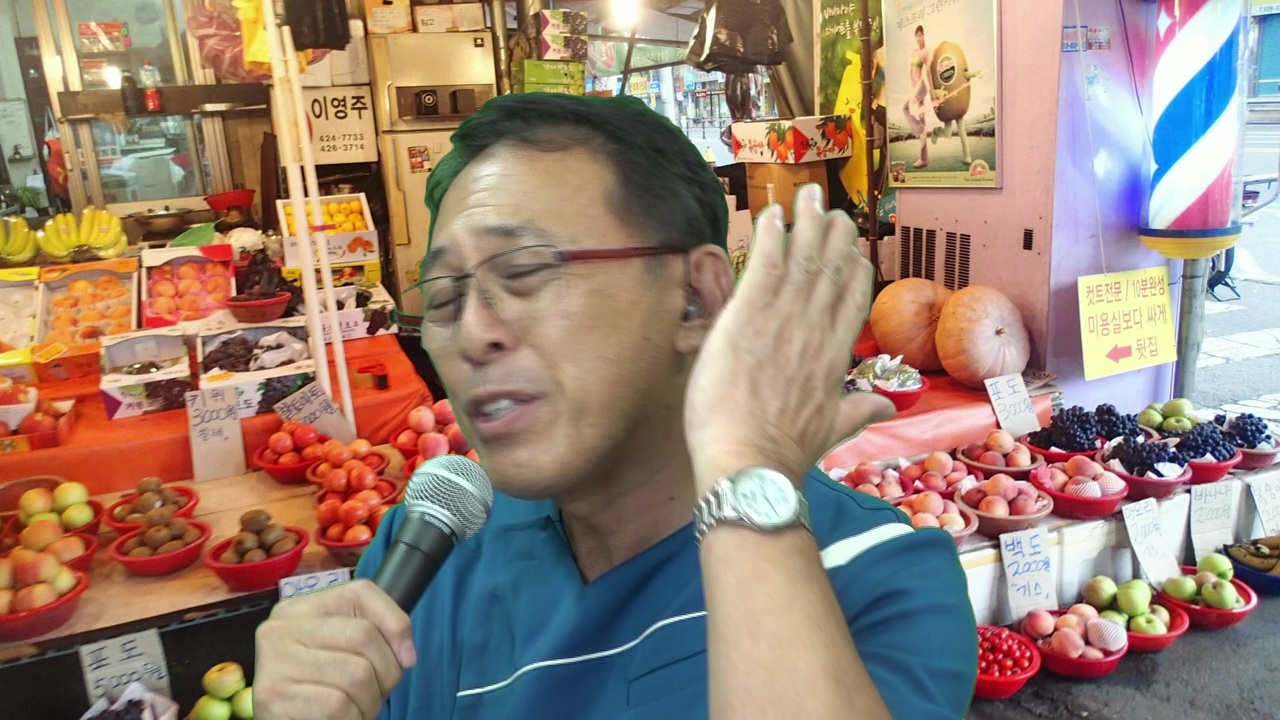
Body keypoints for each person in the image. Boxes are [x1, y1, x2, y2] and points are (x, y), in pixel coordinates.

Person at [253, 93, 978, 720]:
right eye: (444, 298)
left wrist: (746, 476)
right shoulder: (427, 563)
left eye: (524, 270)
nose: (471, 333)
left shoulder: (873, 576)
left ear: (695, 297)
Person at [903, 25, 936, 169]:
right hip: (915, 89)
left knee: (906, 109)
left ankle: (920, 129)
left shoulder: (925, 52)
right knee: (922, 119)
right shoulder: (914, 52)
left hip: (921, 88)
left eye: (920, 35)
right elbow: (911, 71)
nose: (918, 38)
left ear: (923, 36)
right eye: (916, 36)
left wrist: (933, 94)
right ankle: (924, 158)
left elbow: (928, 73)